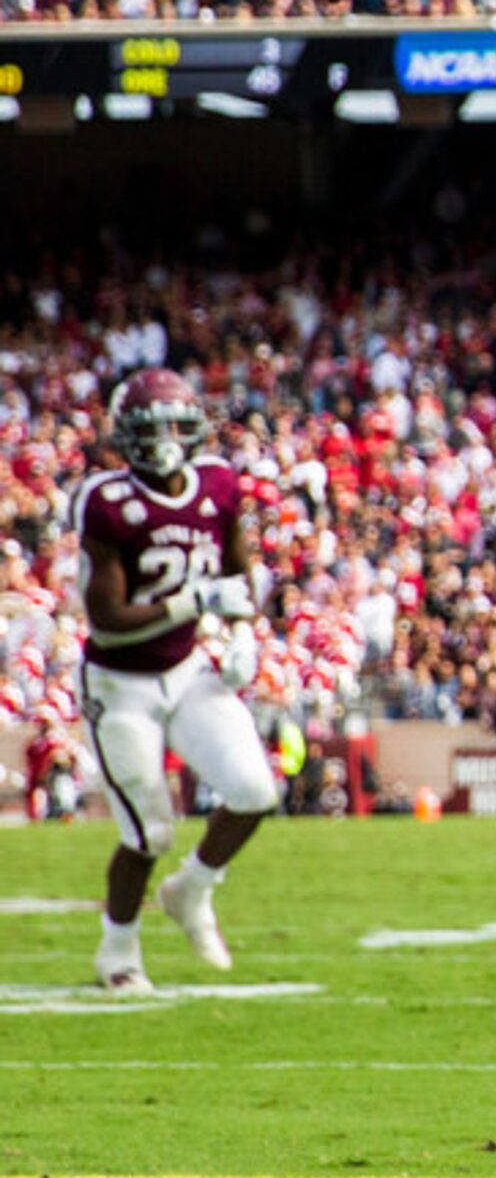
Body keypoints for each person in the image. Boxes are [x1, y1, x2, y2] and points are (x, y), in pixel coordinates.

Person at [72, 370, 281, 991]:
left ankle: (191, 890)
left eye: (173, 424)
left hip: (188, 672)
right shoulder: (105, 501)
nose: (164, 438)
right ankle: (117, 952)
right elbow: (106, 620)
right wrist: (197, 602)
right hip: (120, 684)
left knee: (254, 791)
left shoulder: (218, 483)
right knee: (148, 831)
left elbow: (242, 573)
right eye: (149, 426)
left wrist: (243, 632)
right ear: (124, 435)